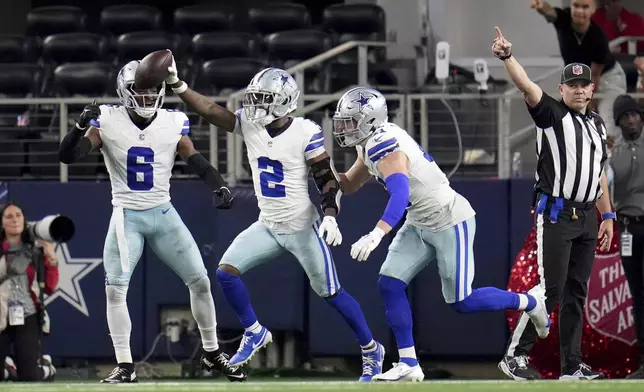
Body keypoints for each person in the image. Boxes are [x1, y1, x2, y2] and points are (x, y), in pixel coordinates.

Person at [165, 61, 385, 381]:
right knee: (226, 273)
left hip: (300, 228)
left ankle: (371, 349)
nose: (254, 105)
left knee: (331, 293)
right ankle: (255, 331)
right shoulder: (251, 124)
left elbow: (326, 180)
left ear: (282, 101)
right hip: (267, 225)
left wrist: (331, 217)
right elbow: (212, 111)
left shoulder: (305, 132)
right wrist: (179, 86)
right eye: (254, 98)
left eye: (262, 99)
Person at [331, 86, 550, 382]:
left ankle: (530, 301)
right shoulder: (369, 142)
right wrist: (316, 168)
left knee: (462, 301)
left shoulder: (385, 145)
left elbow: (398, 195)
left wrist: (376, 234)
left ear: (370, 120)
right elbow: (349, 184)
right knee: (390, 283)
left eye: (350, 120)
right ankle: (408, 362)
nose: (343, 127)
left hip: (449, 219)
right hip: (419, 220)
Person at [57, 61, 246, 383]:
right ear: (125, 92)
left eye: (151, 91)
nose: (146, 98)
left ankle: (213, 353)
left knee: (200, 282)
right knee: (116, 291)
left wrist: (218, 184)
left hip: (162, 211)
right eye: (139, 91)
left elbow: (194, 158)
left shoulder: (173, 121)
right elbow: (69, 157)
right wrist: (77, 128)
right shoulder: (108, 119)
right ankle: (125, 365)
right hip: (126, 215)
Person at [492, 26, 615, 380]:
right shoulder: (550, 115)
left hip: (588, 217)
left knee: (577, 293)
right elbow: (526, 86)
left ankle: (572, 366)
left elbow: (598, 172)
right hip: (558, 214)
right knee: (551, 289)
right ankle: (515, 355)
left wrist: (607, 214)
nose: (578, 90)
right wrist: (507, 57)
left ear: (593, 88)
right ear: (562, 89)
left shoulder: (598, 125)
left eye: (584, 84)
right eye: (572, 85)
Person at [530, 0, 627, 139]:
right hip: (580, 79)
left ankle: (609, 154)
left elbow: (595, 75)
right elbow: (550, 12)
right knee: (565, 120)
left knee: (608, 123)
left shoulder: (598, 37)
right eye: (576, 5)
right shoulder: (564, 18)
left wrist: (589, 100)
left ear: (593, 10)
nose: (580, 11)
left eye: (585, 7)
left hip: (607, 78)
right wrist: (541, 7)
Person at [0, 202, 58, 382]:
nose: (14, 220)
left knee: (30, 377)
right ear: (2, 222)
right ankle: (8, 369)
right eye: (9, 216)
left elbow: (49, 287)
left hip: (27, 314)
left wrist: (52, 260)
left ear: (24, 220)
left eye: (18, 215)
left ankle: (46, 369)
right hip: (0, 315)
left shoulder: (35, 251)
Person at [608, 94, 644, 379]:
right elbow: (605, 186)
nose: (631, 120)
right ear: (618, 122)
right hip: (629, 227)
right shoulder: (613, 153)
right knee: (638, 296)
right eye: (625, 117)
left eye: (634, 115)